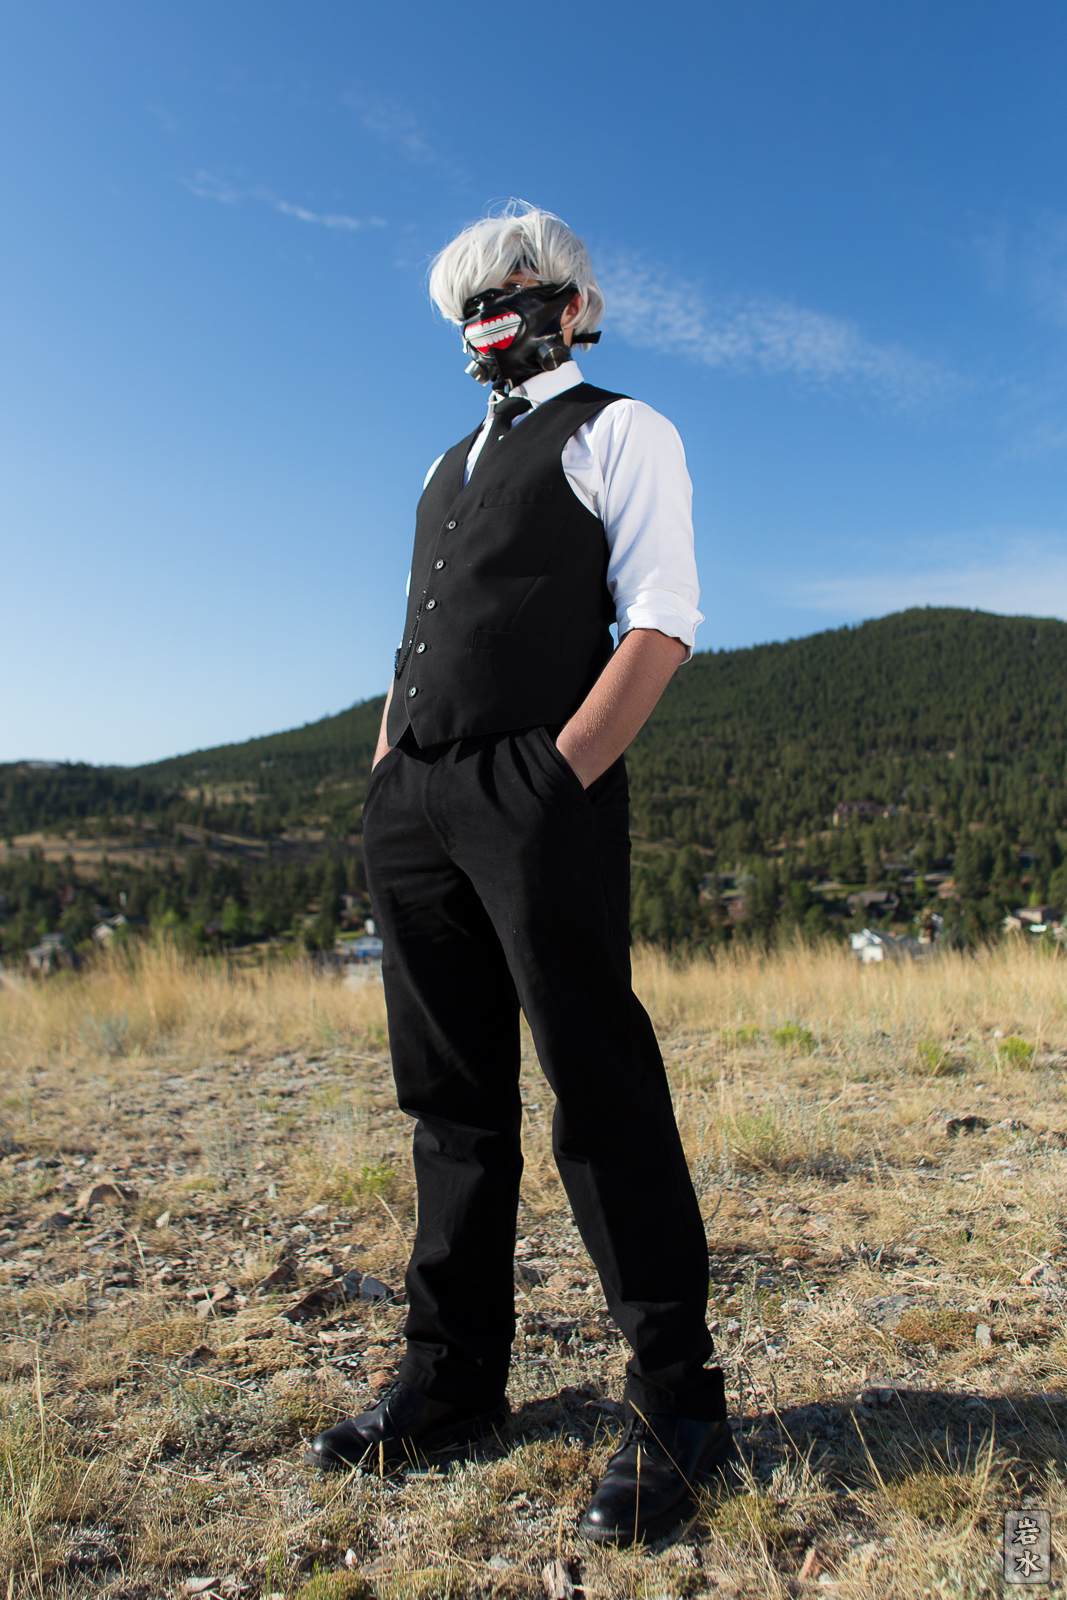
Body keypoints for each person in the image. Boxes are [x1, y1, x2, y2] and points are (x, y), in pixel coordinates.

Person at [308, 203, 735, 1544]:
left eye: (513, 287)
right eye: (469, 302)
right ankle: (453, 1383)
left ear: (575, 302)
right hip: (416, 801)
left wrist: (557, 778)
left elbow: (661, 622)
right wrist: (390, 767)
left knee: (599, 1089)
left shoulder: (622, 430)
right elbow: (416, 635)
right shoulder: (447, 463)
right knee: (451, 1104)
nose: (489, 314)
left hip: (536, 795)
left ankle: (681, 1406)